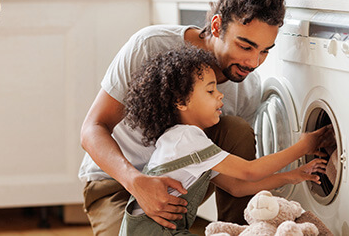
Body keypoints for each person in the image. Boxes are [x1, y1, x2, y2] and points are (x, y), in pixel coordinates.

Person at [79, 0, 286, 234]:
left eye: (265, 50)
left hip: (182, 184)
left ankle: (237, 230)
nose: (254, 62)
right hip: (116, 183)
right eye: (245, 47)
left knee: (236, 130)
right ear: (215, 26)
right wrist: (137, 181)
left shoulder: (247, 88)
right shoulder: (150, 45)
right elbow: (92, 128)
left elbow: (237, 178)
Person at [118, 46, 329, 235]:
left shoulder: (185, 140)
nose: (220, 95)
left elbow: (236, 187)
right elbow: (249, 171)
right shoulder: (186, 138)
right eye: (210, 90)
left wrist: (293, 176)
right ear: (181, 101)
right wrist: (305, 146)